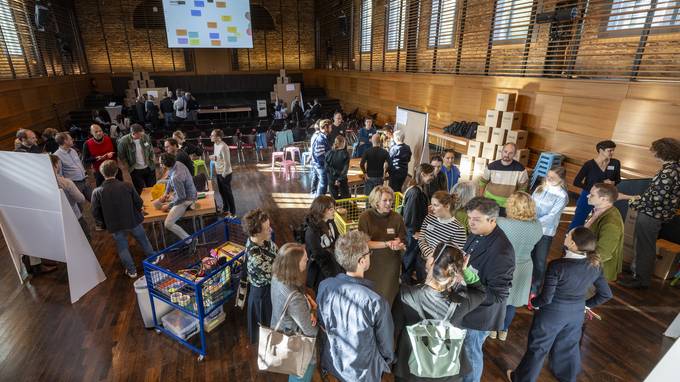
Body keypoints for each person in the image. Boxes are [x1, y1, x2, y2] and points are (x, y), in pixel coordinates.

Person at [508, 227, 613, 382]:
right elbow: (606, 294)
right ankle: (567, 377)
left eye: (568, 234)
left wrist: (533, 302)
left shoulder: (558, 265)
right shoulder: (595, 264)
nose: (565, 235)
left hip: (552, 314)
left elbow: (546, 299)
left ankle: (521, 379)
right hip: (576, 314)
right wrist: (584, 305)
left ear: (573, 243)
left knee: (538, 348)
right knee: (569, 347)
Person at [392, 243, 487, 382]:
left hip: (410, 370)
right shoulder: (461, 300)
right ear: (455, 272)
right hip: (448, 373)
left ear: (431, 262)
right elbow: (480, 292)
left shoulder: (406, 295)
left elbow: (394, 328)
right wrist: (465, 270)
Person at [317, 230, 395, 382]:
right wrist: (385, 362)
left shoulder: (325, 286)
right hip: (363, 371)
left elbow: (322, 322)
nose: (369, 255)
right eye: (368, 253)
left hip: (333, 361)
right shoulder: (375, 302)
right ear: (362, 261)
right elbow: (386, 345)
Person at [460, 197, 514, 382]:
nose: (471, 223)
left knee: (471, 354)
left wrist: (466, 278)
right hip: (468, 306)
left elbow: (498, 295)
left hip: (480, 315)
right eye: (469, 218)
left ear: (492, 220)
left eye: (476, 219)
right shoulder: (477, 232)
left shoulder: (502, 251)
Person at [619, 138, 680, 289]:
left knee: (644, 247)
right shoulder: (675, 168)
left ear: (662, 152)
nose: (652, 153)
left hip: (651, 215)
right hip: (654, 213)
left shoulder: (668, 171)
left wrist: (633, 202)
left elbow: (655, 199)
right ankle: (637, 271)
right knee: (642, 245)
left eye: (654, 150)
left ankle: (641, 279)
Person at [91, 160, 158, 278]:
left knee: (122, 247)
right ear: (117, 172)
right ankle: (153, 260)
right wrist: (138, 211)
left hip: (114, 224)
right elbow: (138, 202)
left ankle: (132, 271)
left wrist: (103, 222)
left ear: (102, 173)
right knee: (143, 240)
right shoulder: (127, 185)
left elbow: (95, 211)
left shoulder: (97, 192)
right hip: (133, 219)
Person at [494, 192, 543, 341]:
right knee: (512, 303)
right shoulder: (537, 226)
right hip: (524, 267)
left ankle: (492, 328)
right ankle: (503, 330)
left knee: (498, 300)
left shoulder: (501, 222)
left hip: (503, 265)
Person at [270, 243, 319, 382]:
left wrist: (306, 305)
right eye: (304, 259)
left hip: (281, 326)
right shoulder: (294, 298)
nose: (308, 260)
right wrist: (314, 310)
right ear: (294, 266)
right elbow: (311, 331)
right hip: (299, 347)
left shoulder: (277, 276)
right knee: (300, 375)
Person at [358, 185, 407, 305]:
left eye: (390, 200)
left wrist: (399, 244)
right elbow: (365, 243)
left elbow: (403, 238)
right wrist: (387, 244)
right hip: (372, 264)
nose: (389, 203)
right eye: (385, 200)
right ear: (376, 201)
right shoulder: (365, 217)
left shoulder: (397, 218)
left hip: (391, 265)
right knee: (371, 294)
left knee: (388, 295)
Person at [531, 167, 569, 293]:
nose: (549, 179)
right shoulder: (539, 188)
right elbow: (530, 204)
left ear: (561, 180)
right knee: (527, 258)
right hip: (530, 227)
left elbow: (552, 216)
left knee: (539, 262)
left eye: (553, 177)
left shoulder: (562, 195)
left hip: (545, 231)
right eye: (548, 176)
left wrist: (535, 222)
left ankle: (534, 290)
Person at [243, 208, 278, 343]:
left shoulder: (261, 240)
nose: (271, 230)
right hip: (263, 295)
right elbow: (278, 275)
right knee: (267, 330)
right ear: (256, 233)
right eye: (267, 228)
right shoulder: (256, 258)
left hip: (268, 287)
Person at [568, 140, 621, 230]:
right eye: (610, 150)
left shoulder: (615, 163)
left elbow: (618, 179)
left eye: (613, 150)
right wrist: (593, 189)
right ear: (601, 150)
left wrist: (613, 183)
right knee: (578, 220)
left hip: (605, 198)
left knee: (598, 222)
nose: (612, 153)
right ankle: (570, 241)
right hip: (588, 196)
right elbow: (576, 182)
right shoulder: (589, 165)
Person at [402, 163, 435, 283]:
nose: (432, 177)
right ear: (422, 174)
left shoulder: (418, 189)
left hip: (416, 231)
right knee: (408, 258)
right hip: (413, 233)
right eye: (430, 175)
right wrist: (414, 232)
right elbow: (410, 215)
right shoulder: (415, 192)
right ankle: (405, 282)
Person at [584, 183, 624, 281]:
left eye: (592, 195)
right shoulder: (598, 210)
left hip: (594, 273)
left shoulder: (611, 221)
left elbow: (604, 251)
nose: (588, 196)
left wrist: (581, 265)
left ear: (604, 199)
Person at [157, 153, 197, 244]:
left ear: (164, 165)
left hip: (187, 199)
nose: (159, 165)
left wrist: (168, 205)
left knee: (168, 224)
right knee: (160, 182)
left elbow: (181, 197)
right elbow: (170, 180)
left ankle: (190, 240)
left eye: (160, 163)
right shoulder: (177, 163)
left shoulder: (176, 177)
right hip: (186, 193)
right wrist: (165, 193)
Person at [304, 195, 342, 292]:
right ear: (321, 210)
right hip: (321, 273)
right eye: (331, 209)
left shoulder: (331, 222)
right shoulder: (311, 232)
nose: (334, 211)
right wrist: (333, 278)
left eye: (334, 208)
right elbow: (319, 257)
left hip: (333, 265)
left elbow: (337, 240)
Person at [49, 155, 91, 240]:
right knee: (85, 239)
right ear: (56, 165)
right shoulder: (66, 182)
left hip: (57, 221)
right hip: (74, 215)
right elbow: (81, 199)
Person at [417, 191, 467, 260]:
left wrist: (433, 258)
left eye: (435, 205)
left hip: (439, 267)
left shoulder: (458, 229)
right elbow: (421, 239)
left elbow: (456, 254)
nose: (431, 208)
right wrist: (429, 255)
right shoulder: (429, 218)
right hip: (422, 260)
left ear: (447, 206)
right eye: (431, 204)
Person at [479, 143, 528, 212]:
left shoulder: (521, 170)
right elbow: (482, 182)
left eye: (511, 153)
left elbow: (523, 189)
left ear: (514, 155)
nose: (507, 155)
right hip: (489, 201)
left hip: (508, 204)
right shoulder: (491, 166)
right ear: (502, 151)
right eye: (505, 152)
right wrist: (481, 198)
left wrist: (516, 204)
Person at [117, 123, 157, 195]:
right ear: (133, 133)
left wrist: (152, 158)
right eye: (140, 135)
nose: (142, 136)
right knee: (140, 190)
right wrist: (128, 167)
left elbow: (150, 149)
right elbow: (121, 157)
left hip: (149, 167)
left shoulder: (145, 137)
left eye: (142, 134)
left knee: (153, 188)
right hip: (135, 170)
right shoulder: (123, 141)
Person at [54, 132, 91, 202]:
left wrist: (86, 175)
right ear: (65, 141)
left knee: (94, 200)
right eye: (70, 139)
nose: (73, 140)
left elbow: (79, 164)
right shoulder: (57, 156)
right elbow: (60, 175)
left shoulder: (73, 150)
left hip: (84, 180)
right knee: (78, 206)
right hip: (74, 184)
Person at [210, 129, 235, 216]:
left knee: (228, 193)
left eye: (212, 135)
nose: (210, 137)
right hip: (219, 172)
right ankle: (225, 208)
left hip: (225, 174)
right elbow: (219, 158)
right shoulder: (215, 144)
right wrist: (214, 158)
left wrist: (223, 175)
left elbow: (227, 163)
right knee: (222, 192)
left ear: (218, 137)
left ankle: (232, 212)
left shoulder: (224, 147)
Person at [325, 135, 350, 199]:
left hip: (331, 179)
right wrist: (338, 179)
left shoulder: (329, 153)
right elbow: (345, 170)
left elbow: (326, 167)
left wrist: (334, 173)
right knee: (345, 198)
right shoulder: (345, 154)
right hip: (342, 180)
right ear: (342, 143)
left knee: (334, 199)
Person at [310, 119, 331, 196]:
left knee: (321, 182)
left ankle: (316, 197)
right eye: (330, 127)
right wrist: (325, 165)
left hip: (317, 164)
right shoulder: (321, 139)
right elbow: (320, 156)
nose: (331, 129)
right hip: (320, 166)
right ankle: (319, 203)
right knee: (323, 184)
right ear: (325, 127)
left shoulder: (322, 137)